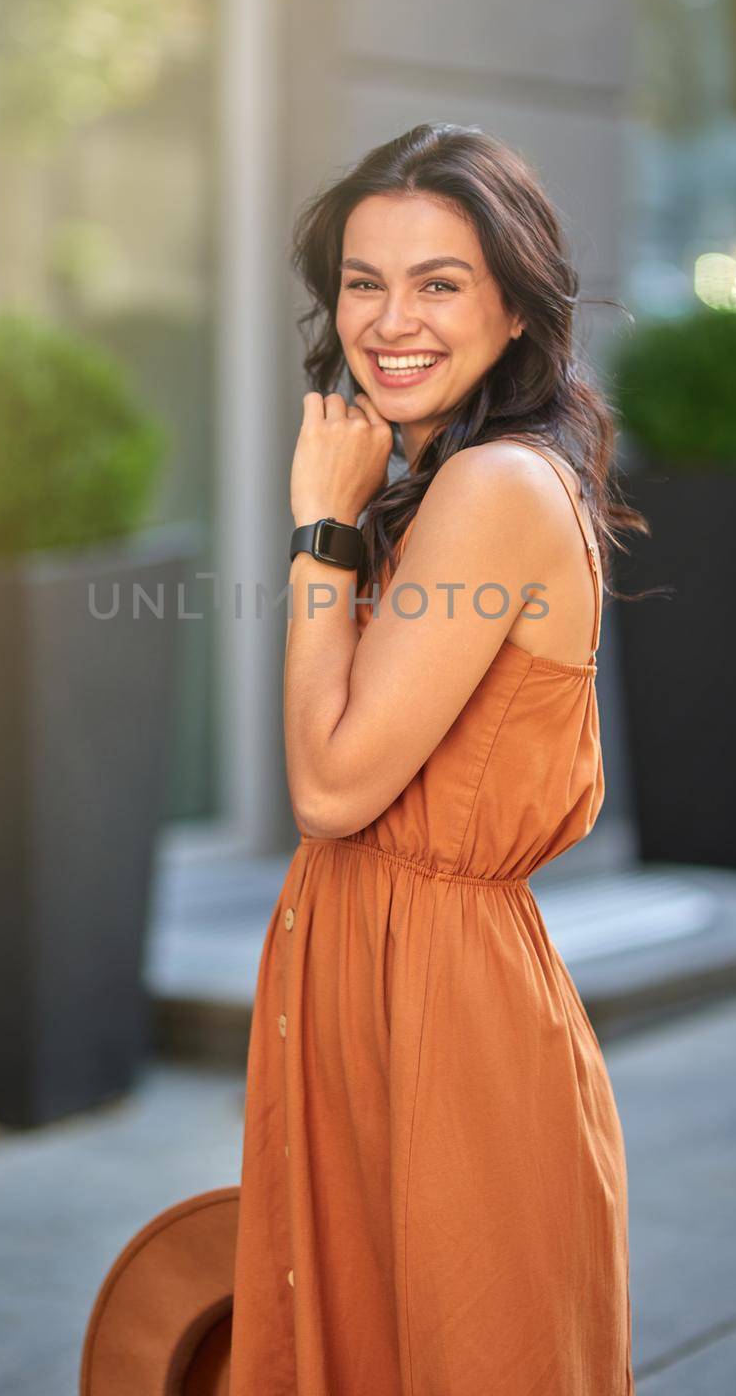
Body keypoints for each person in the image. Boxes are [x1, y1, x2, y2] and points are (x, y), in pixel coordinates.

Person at [228, 122, 646, 1395]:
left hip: (451, 1034)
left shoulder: (494, 490)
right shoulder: (445, 478)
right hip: (378, 999)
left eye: (439, 282)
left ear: (516, 307)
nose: (389, 319)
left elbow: (331, 784)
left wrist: (320, 528)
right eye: (364, 281)